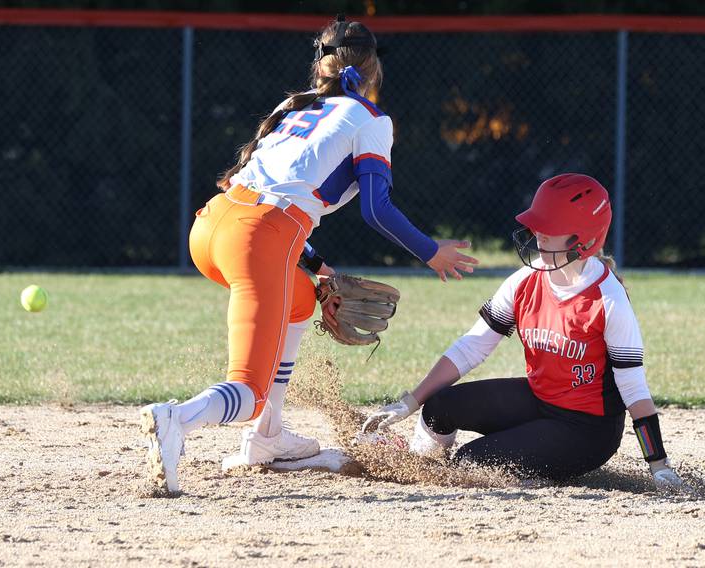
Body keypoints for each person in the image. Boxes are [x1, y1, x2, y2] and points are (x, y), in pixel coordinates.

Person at [140, 16, 477, 494]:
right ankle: (177, 419)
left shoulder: (294, 106)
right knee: (248, 391)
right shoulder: (371, 119)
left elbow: (276, 202)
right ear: (373, 69)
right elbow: (376, 211)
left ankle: (266, 439)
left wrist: (318, 268)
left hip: (213, 227)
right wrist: (431, 252)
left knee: (301, 298)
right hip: (260, 237)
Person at [363, 174, 683, 489]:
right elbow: (471, 347)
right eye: (538, 225)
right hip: (540, 399)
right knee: (438, 408)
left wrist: (659, 465)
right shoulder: (526, 280)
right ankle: (420, 471)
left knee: (471, 463)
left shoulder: (607, 299)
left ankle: (529, 475)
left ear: (582, 239)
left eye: (551, 228)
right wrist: (409, 402)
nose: (539, 235)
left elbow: (633, 388)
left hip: (587, 429)